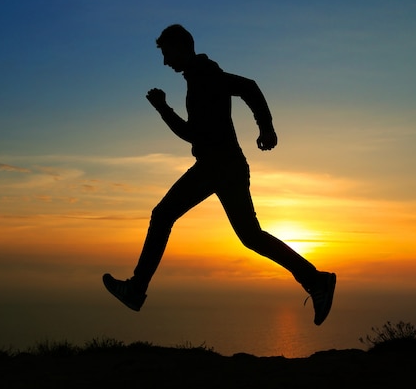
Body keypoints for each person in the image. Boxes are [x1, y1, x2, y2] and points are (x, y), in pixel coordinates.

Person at [103, 24, 336, 325]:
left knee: (163, 215)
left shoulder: (204, 74)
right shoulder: (199, 76)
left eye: (166, 53)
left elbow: (243, 91)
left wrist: (265, 127)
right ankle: (315, 279)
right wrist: (264, 126)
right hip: (225, 166)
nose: (165, 62)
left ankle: (136, 289)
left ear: (181, 47)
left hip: (218, 166)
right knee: (250, 236)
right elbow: (199, 129)